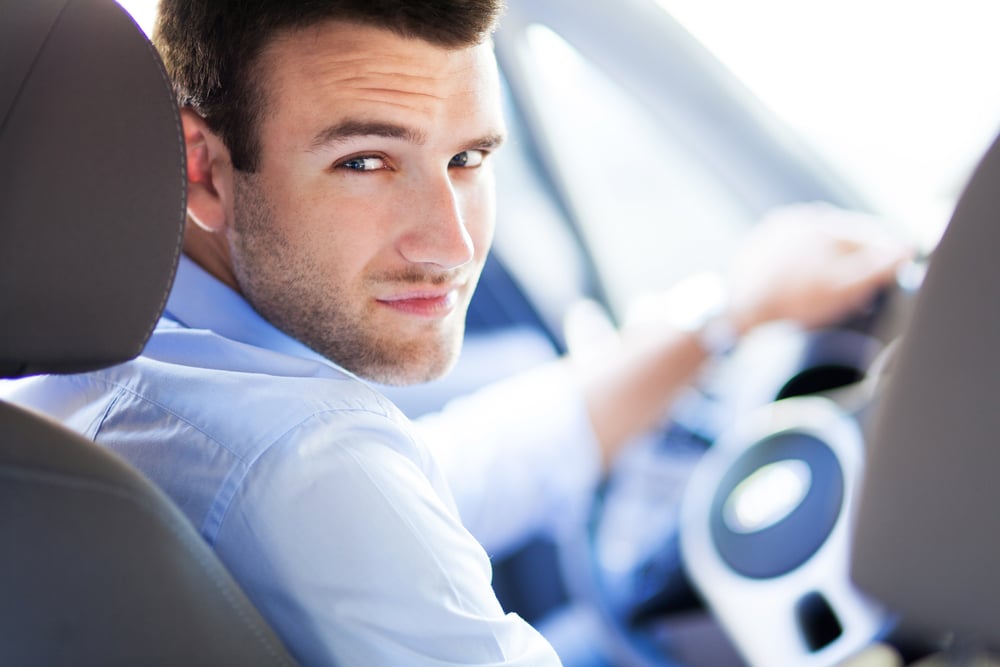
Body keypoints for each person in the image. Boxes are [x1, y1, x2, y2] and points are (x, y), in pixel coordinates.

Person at [0, 1, 911, 665]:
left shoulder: (115, 361)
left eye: (468, 159)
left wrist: (722, 316)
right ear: (204, 169)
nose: (453, 243)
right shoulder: (302, 460)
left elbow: (427, 477)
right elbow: (330, 486)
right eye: (366, 160)